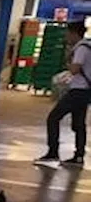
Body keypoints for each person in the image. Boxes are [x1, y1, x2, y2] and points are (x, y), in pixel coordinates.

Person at [35, 20, 89, 167]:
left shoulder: (81, 48)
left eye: (67, 33)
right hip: (85, 91)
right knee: (79, 124)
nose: (66, 36)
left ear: (74, 33)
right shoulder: (86, 46)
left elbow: (75, 69)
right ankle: (78, 156)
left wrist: (66, 70)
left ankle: (53, 152)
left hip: (78, 90)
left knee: (53, 118)